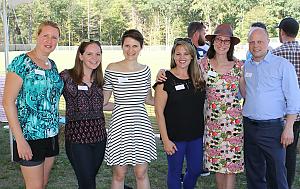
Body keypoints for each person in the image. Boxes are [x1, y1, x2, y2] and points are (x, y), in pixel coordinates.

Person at [2, 21, 64, 189]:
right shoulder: (21, 62)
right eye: (45, 35)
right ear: (37, 37)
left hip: (51, 135)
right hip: (29, 136)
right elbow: (7, 102)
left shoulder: (52, 66)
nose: (49, 40)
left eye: (54, 37)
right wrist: (20, 140)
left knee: (42, 183)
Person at [243, 27, 300, 189]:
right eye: (252, 42)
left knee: (276, 173)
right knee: (254, 173)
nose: (256, 46)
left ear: (268, 42)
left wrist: (288, 127)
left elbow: (294, 99)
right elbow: (245, 93)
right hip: (249, 126)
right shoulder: (247, 66)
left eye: (260, 41)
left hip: (272, 128)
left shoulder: (282, 65)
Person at [103, 29, 157, 189]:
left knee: (141, 173)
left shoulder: (146, 70)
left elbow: (148, 99)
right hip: (119, 127)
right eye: (127, 45)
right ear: (122, 46)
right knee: (119, 174)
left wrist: (169, 96)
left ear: (141, 47)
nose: (130, 50)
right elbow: (104, 101)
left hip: (141, 127)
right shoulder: (111, 68)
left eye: (135, 46)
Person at [60, 40, 113, 189]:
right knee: (88, 184)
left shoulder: (102, 81)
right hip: (77, 140)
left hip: (99, 138)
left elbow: (103, 104)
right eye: (89, 54)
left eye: (98, 54)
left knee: (88, 181)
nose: (94, 58)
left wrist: (126, 106)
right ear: (80, 56)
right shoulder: (66, 77)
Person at [154, 39, 206, 189]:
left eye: (186, 54)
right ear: (173, 56)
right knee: (175, 172)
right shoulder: (165, 79)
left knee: (196, 170)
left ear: (192, 56)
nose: (182, 57)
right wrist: (165, 140)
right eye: (178, 54)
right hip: (174, 137)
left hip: (196, 135)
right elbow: (158, 112)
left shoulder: (199, 78)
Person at [199, 24, 245, 189]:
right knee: (217, 166)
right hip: (212, 123)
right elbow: (183, 75)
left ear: (231, 44)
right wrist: (163, 71)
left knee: (231, 167)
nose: (222, 43)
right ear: (213, 42)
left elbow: (247, 94)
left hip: (233, 124)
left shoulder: (239, 66)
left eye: (227, 41)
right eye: (219, 39)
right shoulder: (202, 64)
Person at [271, 17, 300, 189]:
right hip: (297, 113)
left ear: (281, 32)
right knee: (291, 155)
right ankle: (287, 184)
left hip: (281, 112)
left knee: (277, 154)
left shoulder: (275, 54)